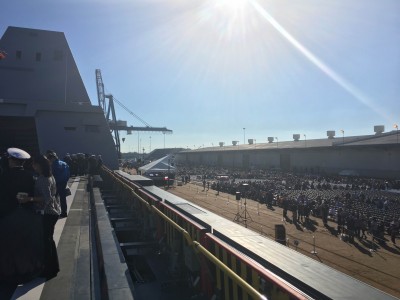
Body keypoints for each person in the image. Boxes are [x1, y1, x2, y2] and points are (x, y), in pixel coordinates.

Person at [0, 148, 44, 299]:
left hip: (7, 216)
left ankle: (10, 274)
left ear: (11, 160)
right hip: (28, 216)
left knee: (9, 246)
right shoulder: (32, 176)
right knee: (28, 245)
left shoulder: (3, 176)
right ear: (24, 162)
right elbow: (39, 196)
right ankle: (30, 273)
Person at [19, 155, 61, 280]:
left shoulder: (42, 179)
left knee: (46, 241)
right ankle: (53, 267)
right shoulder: (50, 176)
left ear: (39, 165)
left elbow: (46, 198)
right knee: (49, 240)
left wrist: (29, 199)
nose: (33, 166)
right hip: (53, 212)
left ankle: (49, 270)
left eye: (34, 164)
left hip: (47, 213)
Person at [46, 150, 70, 218]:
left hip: (56, 183)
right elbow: (68, 173)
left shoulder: (53, 165)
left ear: (53, 158)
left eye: (50, 158)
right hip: (63, 183)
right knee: (63, 198)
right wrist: (65, 181)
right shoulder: (64, 163)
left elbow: (51, 174)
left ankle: (54, 211)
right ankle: (64, 212)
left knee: (53, 197)